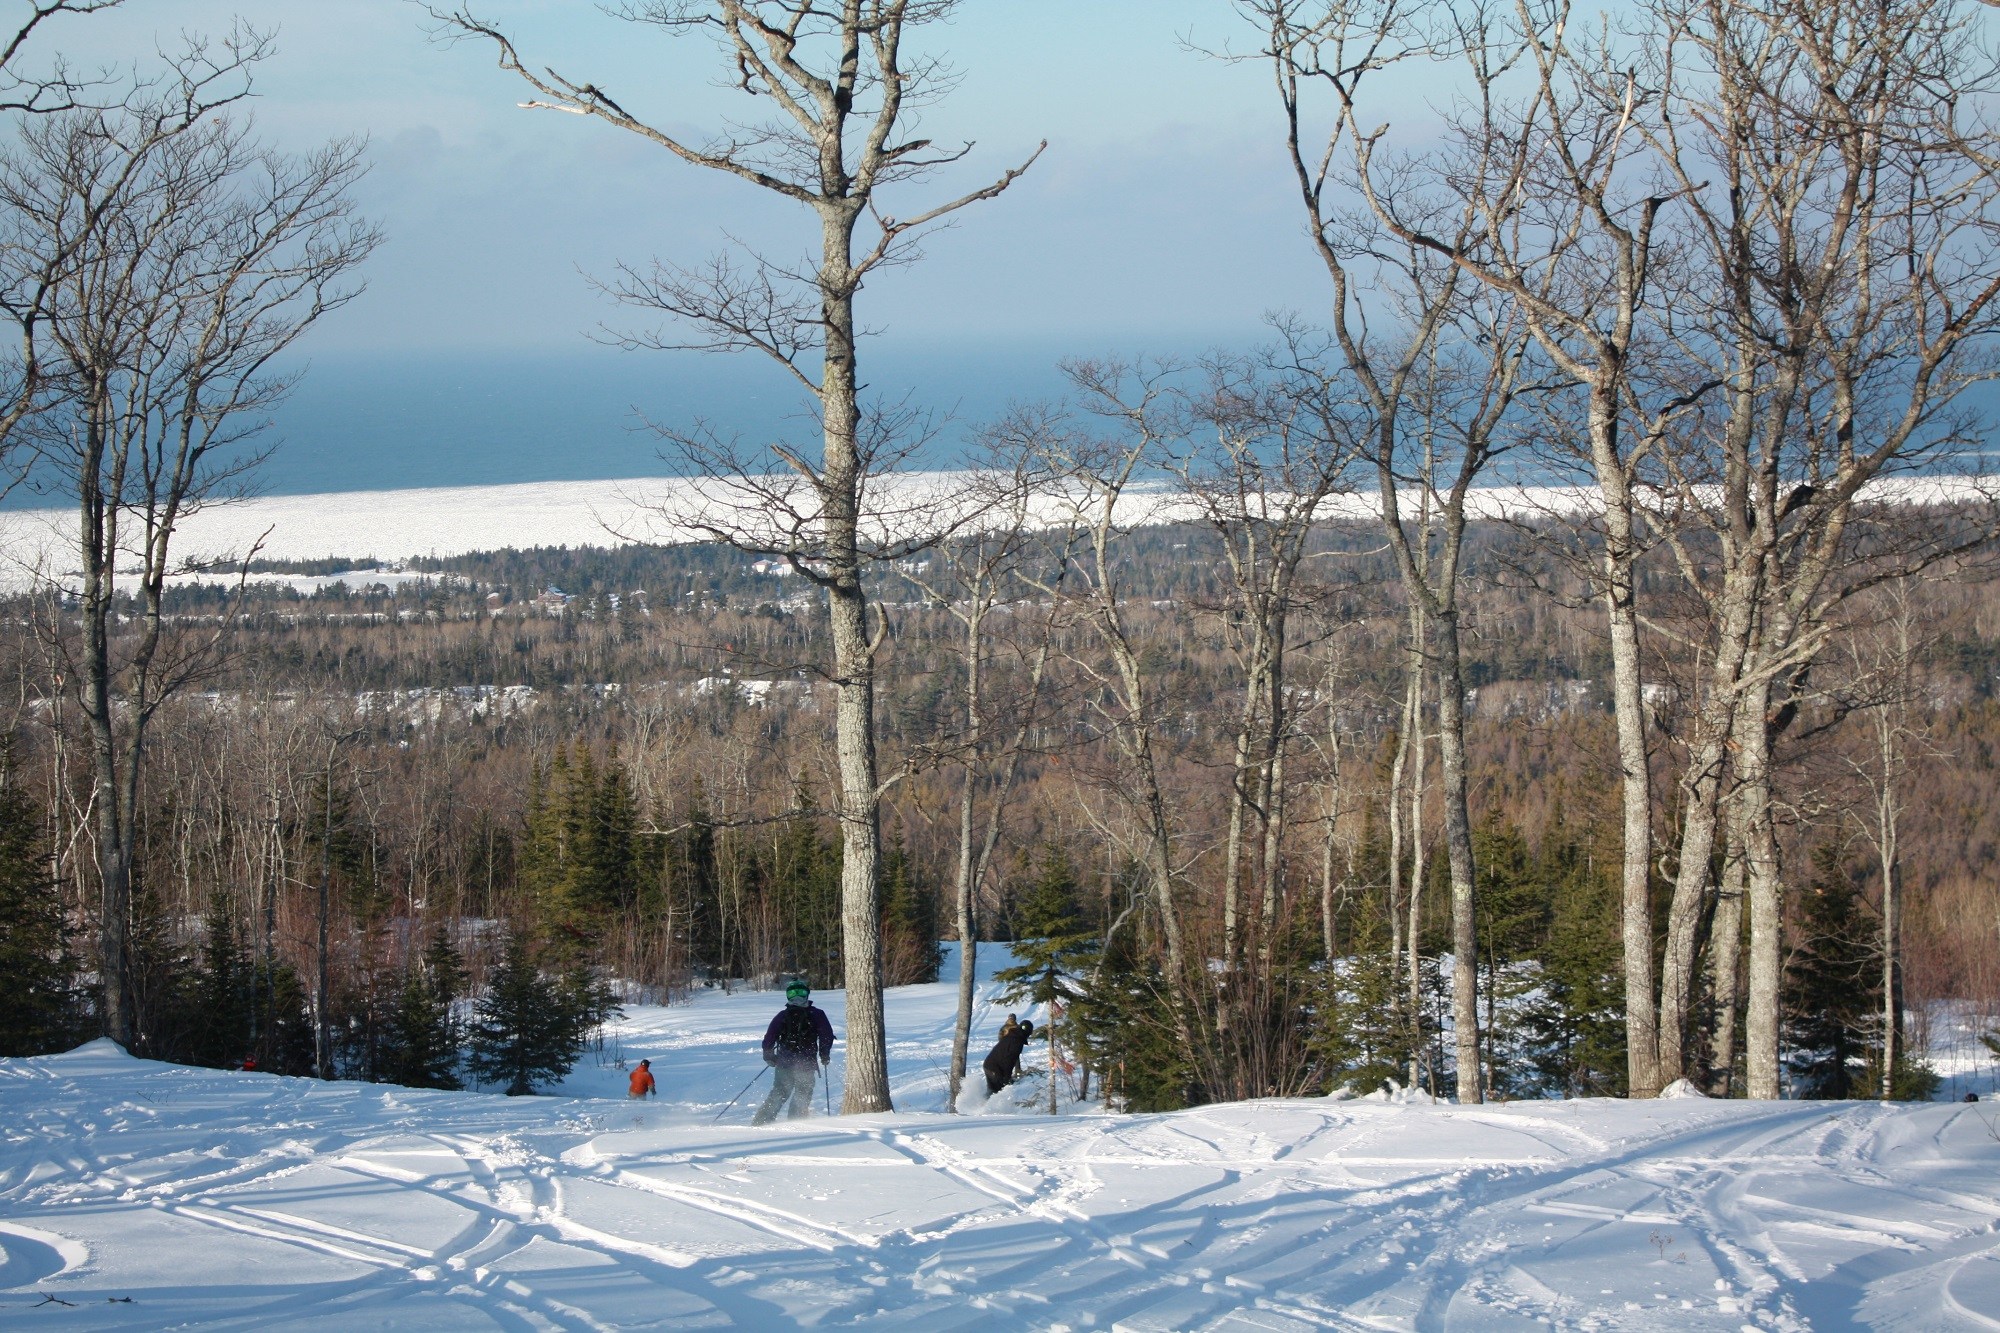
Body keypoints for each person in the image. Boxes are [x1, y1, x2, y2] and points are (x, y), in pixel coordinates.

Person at [754, 979, 835, 1125]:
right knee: (802, 1093)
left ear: (807, 994)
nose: (797, 996)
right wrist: (824, 1054)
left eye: (800, 992)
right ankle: (795, 1123)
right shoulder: (817, 1014)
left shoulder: (782, 1015)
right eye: (793, 993)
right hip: (806, 1063)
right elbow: (826, 1036)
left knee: (779, 1092)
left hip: (784, 1063)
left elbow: (769, 1038)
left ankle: (761, 1122)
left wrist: (769, 1056)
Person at [983, 1017, 1035, 1097]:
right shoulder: (1017, 1042)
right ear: (1028, 1032)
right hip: (995, 1068)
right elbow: (1009, 1060)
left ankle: (979, 1105)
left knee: (992, 1092)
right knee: (996, 1094)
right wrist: (1007, 1078)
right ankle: (985, 1107)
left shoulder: (1012, 1035)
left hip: (989, 1064)